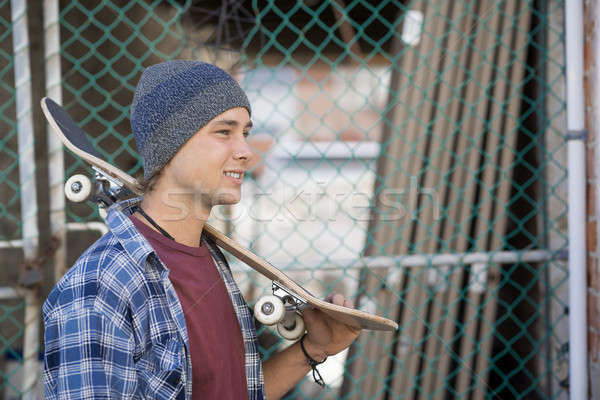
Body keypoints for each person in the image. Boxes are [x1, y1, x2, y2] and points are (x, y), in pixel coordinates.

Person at [42, 60, 360, 399]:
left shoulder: (211, 260)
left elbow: (229, 391)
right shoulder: (102, 287)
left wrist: (312, 350)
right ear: (170, 144)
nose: (246, 152)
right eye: (224, 132)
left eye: (246, 133)